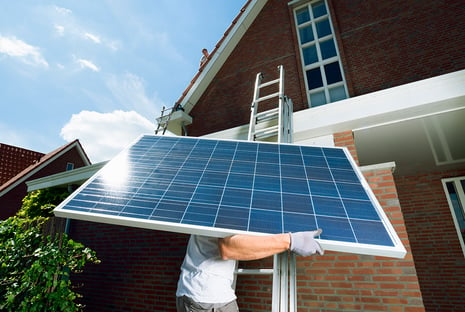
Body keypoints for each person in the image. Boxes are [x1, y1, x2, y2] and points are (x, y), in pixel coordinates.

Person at [176, 230, 323, 312]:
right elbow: (229, 247)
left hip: (197, 292)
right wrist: (290, 241)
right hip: (208, 298)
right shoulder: (228, 196)